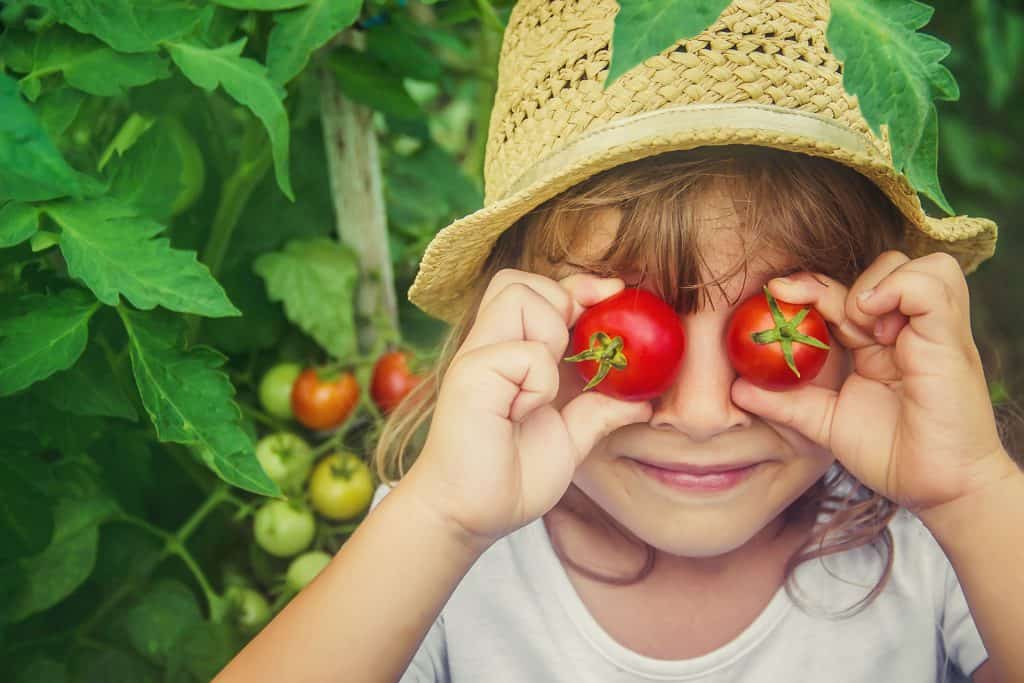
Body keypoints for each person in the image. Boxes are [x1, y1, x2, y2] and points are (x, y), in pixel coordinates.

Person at [216, 1, 1022, 681]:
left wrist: (972, 494)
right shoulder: (445, 544)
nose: (703, 415)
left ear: (866, 328)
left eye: (788, 328)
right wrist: (442, 518)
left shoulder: (937, 546)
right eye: (627, 325)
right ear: (517, 314)